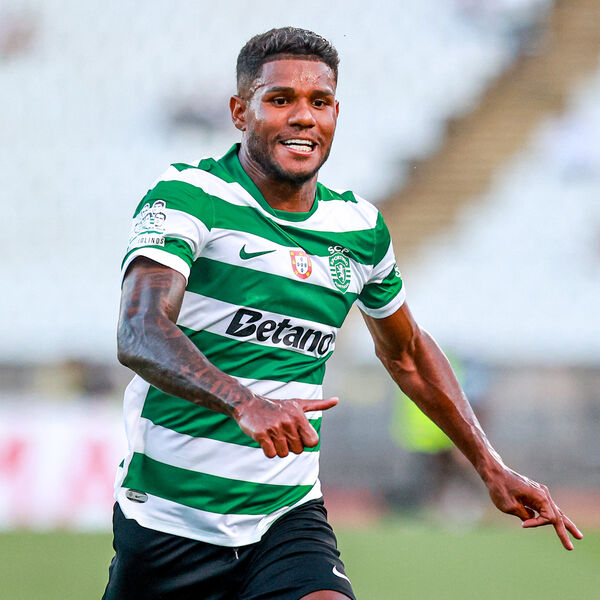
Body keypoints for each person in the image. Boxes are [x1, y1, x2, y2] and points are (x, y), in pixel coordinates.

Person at [103, 26, 582, 600]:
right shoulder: (190, 197)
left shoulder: (359, 229)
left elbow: (407, 354)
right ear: (239, 112)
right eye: (280, 99)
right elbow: (140, 329)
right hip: (167, 522)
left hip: (285, 519)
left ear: (335, 114)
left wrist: (490, 465)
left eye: (320, 101)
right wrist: (244, 402)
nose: (303, 117)